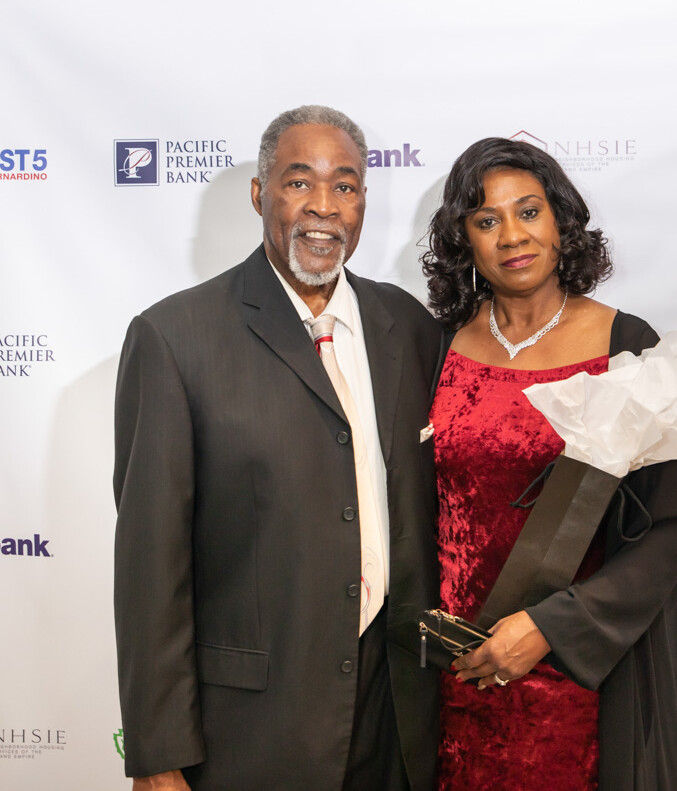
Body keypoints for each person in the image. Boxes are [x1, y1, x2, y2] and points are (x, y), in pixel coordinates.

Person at [113, 105, 442, 791]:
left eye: (344, 185)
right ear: (261, 194)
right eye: (299, 182)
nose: (324, 206)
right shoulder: (175, 337)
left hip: (396, 719)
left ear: (363, 202)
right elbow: (151, 566)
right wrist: (157, 752)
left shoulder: (409, 326)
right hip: (248, 732)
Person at [420, 137, 677, 791]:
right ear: (464, 241)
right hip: (453, 677)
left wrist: (551, 627)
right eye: (486, 220)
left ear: (560, 221)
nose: (512, 235)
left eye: (528, 211)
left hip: (581, 674)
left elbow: (666, 531)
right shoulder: (434, 348)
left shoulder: (626, 345)